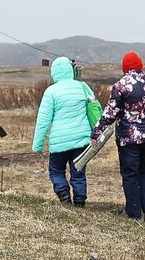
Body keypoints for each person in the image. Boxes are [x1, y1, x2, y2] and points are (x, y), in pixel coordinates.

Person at [93, 51, 145, 221]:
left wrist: (96, 132)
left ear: (125, 68)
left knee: (130, 174)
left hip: (128, 138)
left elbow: (110, 114)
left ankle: (134, 213)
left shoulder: (121, 86)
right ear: (140, 66)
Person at [31, 57, 98, 207]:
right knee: (78, 172)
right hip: (82, 140)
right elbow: (94, 108)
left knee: (56, 171)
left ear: (54, 72)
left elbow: (43, 121)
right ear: (70, 70)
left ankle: (64, 196)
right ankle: (80, 202)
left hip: (59, 143)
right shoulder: (82, 87)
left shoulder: (51, 92)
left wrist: (38, 145)